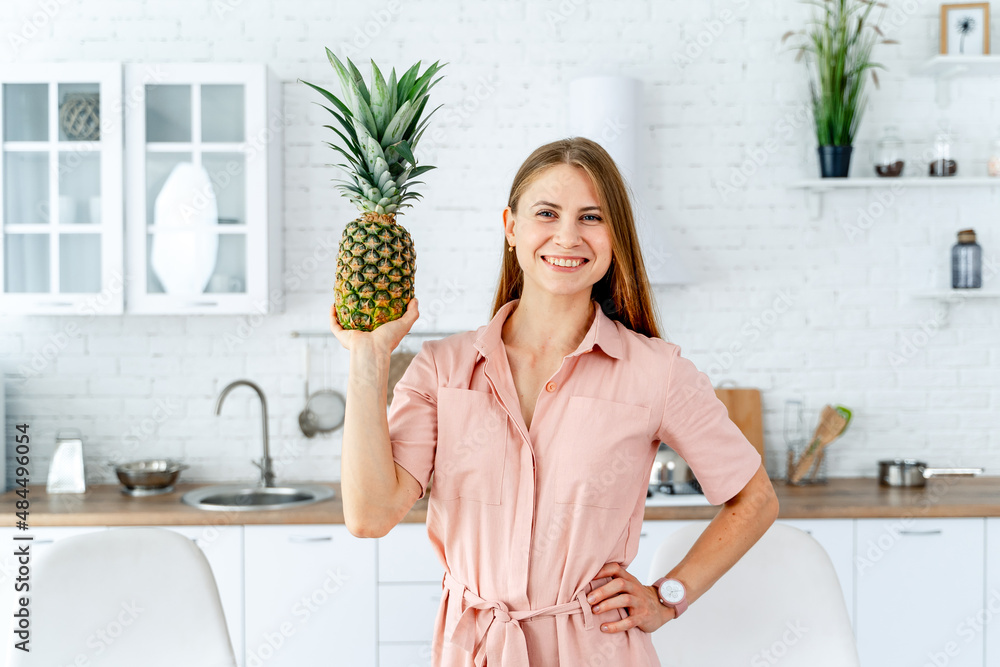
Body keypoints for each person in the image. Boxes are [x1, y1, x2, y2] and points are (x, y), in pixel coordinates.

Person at [332, 137, 780, 666]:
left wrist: (667, 598)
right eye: (547, 213)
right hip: (477, 651)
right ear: (511, 227)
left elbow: (756, 500)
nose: (568, 236)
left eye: (592, 217)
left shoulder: (657, 372)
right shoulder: (443, 367)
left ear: (616, 237)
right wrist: (369, 356)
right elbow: (368, 515)